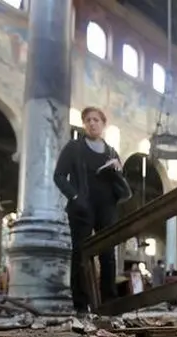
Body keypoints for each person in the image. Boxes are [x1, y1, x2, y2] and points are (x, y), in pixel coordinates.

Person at [53, 106, 132, 314]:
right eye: (88, 120)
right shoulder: (74, 147)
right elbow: (59, 176)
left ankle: (109, 303)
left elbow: (120, 183)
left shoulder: (111, 151)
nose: (92, 123)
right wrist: (75, 197)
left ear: (103, 124)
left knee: (108, 256)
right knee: (81, 255)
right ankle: (81, 305)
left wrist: (117, 167)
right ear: (84, 124)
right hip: (82, 208)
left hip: (107, 208)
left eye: (96, 119)